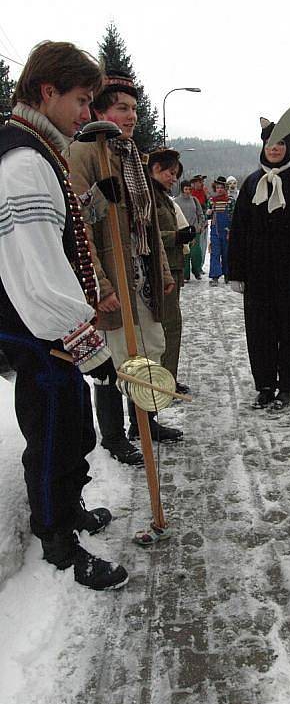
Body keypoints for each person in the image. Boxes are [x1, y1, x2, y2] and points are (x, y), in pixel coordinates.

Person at [0, 41, 128, 590]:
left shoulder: (39, 149)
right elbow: (37, 268)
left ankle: (67, 511)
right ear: (46, 92)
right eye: (80, 100)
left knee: (72, 424)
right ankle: (56, 539)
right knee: (52, 430)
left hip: (50, 328)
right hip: (38, 328)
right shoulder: (24, 161)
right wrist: (87, 346)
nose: (86, 112)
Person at [67, 72, 182, 463]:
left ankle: (145, 423)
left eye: (133, 109)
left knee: (147, 351)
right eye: (122, 109)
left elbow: (146, 222)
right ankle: (114, 436)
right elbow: (77, 223)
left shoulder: (132, 156)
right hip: (112, 276)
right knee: (116, 357)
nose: (131, 116)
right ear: (99, 110)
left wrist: (163, 272)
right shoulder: (84, 154)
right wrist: (100, 286)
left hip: (142, 274)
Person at [228, 118, 290, 409]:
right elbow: (239, 230)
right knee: (260, 334)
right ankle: (265, 385)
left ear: (288, 146)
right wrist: (236, 271)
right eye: (270, 144)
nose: (275, 149)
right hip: (257, 277)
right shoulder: (251, 184)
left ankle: (287, 388)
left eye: (280, 143)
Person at [149, 151, 195, 394]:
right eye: (170, 173)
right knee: (169, 325)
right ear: (156, 168)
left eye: (176, 175)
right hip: (160, 271)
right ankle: (164, 380)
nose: (173, 179)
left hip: (172, 267)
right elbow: (147, 232)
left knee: (171, 325)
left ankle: (168, 377)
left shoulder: (162, 197)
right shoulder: (149, 196)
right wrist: (176, 237)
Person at [174, 179, 205, 281]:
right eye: (186, 189)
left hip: (194, 230)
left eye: (189, 189)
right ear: (182, 189)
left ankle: (197, 271)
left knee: (196, 253)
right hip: (183, 231)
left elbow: (200, 214)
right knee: (185, 254)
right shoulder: (176, 201)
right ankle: (185, 275)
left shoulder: (194, 200)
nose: (187, 191)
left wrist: (200, 225)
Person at [207, 176, 235, 286]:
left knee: (227, 253)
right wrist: (208, 214)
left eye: (221, 188)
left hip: (227, 230)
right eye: (217, 188)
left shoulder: (230, 201)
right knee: (215, 253)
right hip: (215, 230)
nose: (219, 190)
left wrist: (231, 229)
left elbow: (234, 216)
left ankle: (228, 275)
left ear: (225, 188)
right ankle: (214, 276)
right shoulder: (211, 201)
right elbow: (207, 217)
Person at [191, 174, 209, 269]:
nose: (202, 183)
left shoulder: (204, 193)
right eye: (200, 181)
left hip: (203, 221)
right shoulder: (191, 194)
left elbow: (208, 206)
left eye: (202, 181)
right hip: (193, 223)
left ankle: (200, 266)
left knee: (203, 244)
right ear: (194, 183)